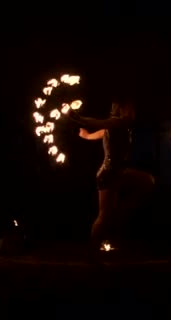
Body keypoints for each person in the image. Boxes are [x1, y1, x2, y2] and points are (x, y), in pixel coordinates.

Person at [66, 101, 155, 255]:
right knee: (104, 215)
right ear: (121, 110)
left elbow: (93, 133)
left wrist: (85, 134)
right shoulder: (117, 123)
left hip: (118, 173)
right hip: (107, 174)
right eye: (129, 108)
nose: (132, 112)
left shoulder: (119, 126)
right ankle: (93, 251)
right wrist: (76, 117)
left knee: (147, 180)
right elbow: (96, 123)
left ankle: (119, 213)